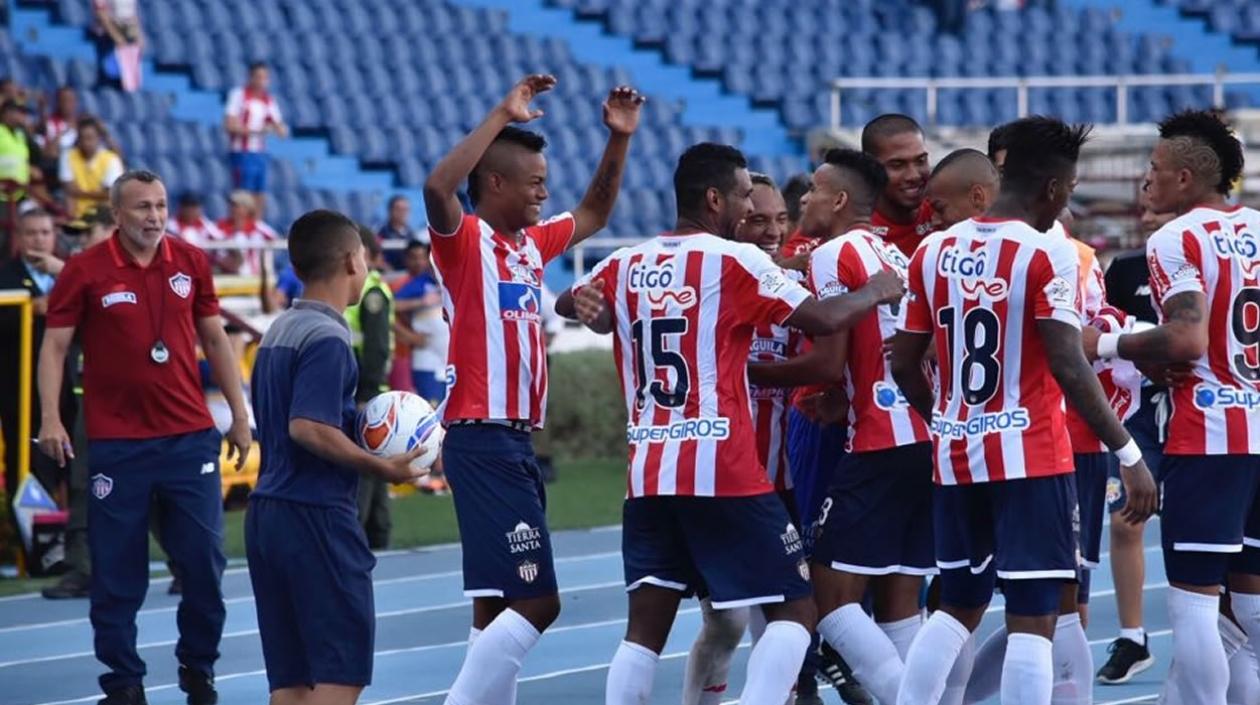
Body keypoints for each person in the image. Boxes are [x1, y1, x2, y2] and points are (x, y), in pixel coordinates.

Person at [559, 142, 905, 705]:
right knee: (796, 605)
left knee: (644, 630)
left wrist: (584, 302)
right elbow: (821, 316)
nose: (750, 210)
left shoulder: (624, 261)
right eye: (746, 196)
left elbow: (567, 303)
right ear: (714, 197)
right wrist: (876, 290)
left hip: (648, 472)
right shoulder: (731, 261)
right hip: (723, 469)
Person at [890, 116, 1157, 705]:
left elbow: (904, 359)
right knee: (1035, 617)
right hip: (1032, 454)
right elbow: (1068, 361)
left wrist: (940, 417)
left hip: (957, 453)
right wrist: (1129, 452)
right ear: (1056, 190)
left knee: (956, 604)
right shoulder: (1047, 253)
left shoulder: (932, 251)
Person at [421, 74, 642, 704]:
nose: (545, 191)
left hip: (511, 442)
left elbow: (596, 212)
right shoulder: (465, 243)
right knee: (539, 602)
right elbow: (438, 186)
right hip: (483, 439)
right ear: (495, 184)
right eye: (535, 181)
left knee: (494, 609)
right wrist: (499, 113)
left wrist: (619, 140)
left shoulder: (529, 248)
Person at [36, 169, 253, 705]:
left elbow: (215, 339)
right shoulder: (84, 271)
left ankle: (198, 667)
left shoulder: (191, 260)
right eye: (142, 208)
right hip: (116, 445)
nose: (154, 216)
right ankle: (124, 683)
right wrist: (51, 418)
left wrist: (241, 415)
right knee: (116, 575)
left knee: (204, 564)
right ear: (117, 215)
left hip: (188, 440)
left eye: (159, 205)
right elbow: (55, 349)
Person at [1084, 109, 1260, 705]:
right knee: (1252, 606)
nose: (1147, 178)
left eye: (1155, 168)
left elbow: (1187, 339)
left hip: (1211, 436)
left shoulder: (1176, 238)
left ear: (1185, 178)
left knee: (1193, 606)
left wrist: (1107, 342)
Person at [246, 209, 424, 705]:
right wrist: (383, 466)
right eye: (366, 257)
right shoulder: (329, 338)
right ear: (352, 260)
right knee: (339, 676)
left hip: (269, 514)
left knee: (292, 683)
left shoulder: (279, 329)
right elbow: (308, 426)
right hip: (316, 516)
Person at [681, 172, 827, 705]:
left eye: (780, 220)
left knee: (785, 611)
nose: (770, 230)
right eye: (757, 219)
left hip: (781, 479)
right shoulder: (708, 280)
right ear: (731, 217)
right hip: (721, 477)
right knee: (725, 624)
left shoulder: (792, 290)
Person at [798, 148, 934, 705]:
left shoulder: (833, 254)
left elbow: (827, 361)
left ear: (839, 199)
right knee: (902, 603)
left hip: (880, 440)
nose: (804, 198)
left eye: (812, 188)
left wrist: (738, 366)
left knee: (827, 600)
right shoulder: (892, 253)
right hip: (924, 435)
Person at [1091, 185, 1175, 684]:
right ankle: (1133, 636)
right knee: (1126, 520)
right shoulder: (1125, 270)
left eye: (1155, 205)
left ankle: (1226, 623)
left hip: (1197, 410)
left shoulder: (1207, 260)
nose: (1145, 215)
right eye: (1142, 206)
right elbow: (1104, 334)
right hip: (1142, 414)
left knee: (1203, 533)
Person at [0, 210, 72, 501]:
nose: (39, 239)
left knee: (72, 469)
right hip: (22, 393)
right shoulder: (5, 276)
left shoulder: (70, 274)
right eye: (31, 233)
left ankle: (73, 539)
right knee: (29, 469)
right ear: (18, 237)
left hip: (70, 392)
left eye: (45, 232)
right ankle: (33, 543)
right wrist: (30, 310)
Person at [346, 226, 395, 550]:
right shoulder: (367, 290)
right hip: (365, 386)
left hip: (365, 390)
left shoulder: (371, 293)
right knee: (375, 463)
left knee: (363, 465)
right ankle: (378, 531)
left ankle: (358, 532)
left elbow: (376, 347)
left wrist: (365, 394)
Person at [861, 114, 935, 257]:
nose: (914, 175)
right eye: (897, 165)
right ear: (869, 167)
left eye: (921, 161)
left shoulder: (945, 212)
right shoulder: (853, 230)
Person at [224, 62, 286, 216]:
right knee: (243, 194)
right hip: (241, 152)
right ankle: (240, 229)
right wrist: (256, 131)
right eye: (258, 77)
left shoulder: (268, 100)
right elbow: (229, 125)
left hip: (260, 153)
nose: (262, 81)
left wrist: (278, 129)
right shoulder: (239, 95)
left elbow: (280, 128)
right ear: (251, 77)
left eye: (265, 77)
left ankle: (255, 227)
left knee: (260, 193)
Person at [392, 241, 445, 403]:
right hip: (427, 362)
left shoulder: (456, 282)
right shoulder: (420, 283)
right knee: (432, 414)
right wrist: (421, 302)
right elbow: (390, 306)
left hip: (452, 364)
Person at [59, 116, 124, 219]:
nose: (86, 143)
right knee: (68, 200)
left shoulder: (111, 159)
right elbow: (69, 190)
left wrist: (80, 193)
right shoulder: (68, 156)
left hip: (103, 213)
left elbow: (110, 194)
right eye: (82, 138)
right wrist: (99, 194)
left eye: (90, 138)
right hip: (77, 213)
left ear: (98, 138)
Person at [212, 190, 279, 276]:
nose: (233, 209)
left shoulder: (257, 227)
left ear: (247, 208)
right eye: (231, 205)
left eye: (237, 206)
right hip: (226, 275)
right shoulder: (219, 226)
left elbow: (274, 239)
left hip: (253, 277)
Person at [377, 195, 415, 270]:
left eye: (405, 209)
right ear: (390, 210)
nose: (402, 213)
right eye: (398, 209)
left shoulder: (412, 234)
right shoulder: (380, 233)